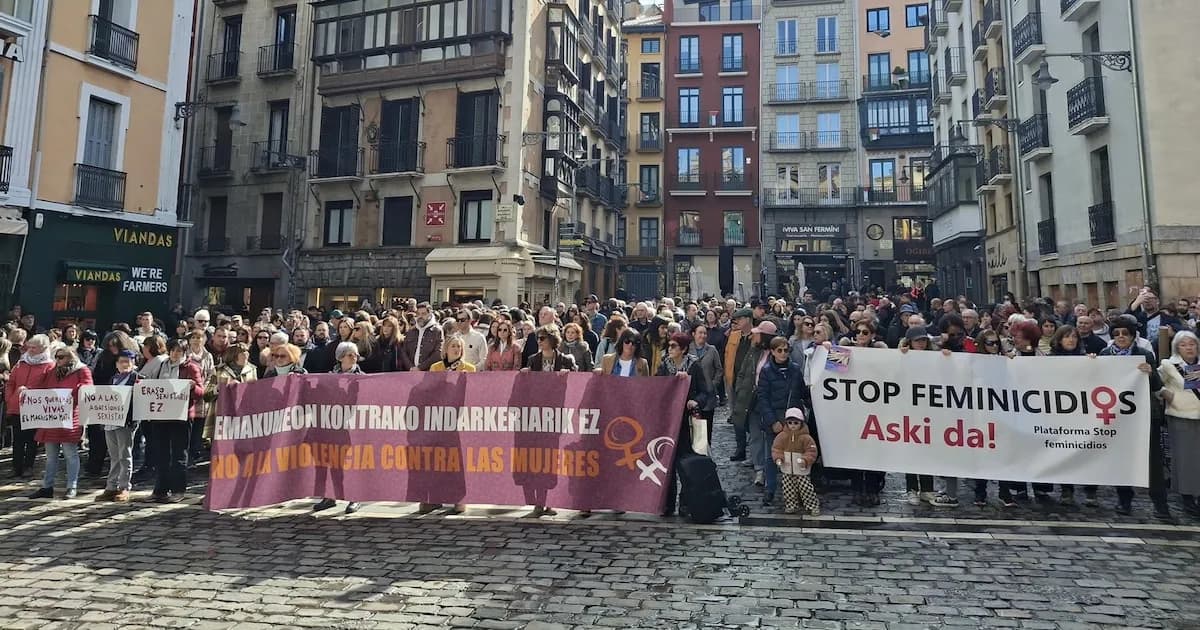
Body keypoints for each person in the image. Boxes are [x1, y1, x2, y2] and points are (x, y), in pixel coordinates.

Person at [1100, 315, 1170, 519]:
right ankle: (1124, 498)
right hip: (1117, 415)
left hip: (1145, 415)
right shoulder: (1105, 354)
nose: (1121, 337)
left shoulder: (1145, 354)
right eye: (1117, 334)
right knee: (1120, 458)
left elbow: (1157, 386)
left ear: (1133, 336)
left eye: (1125, 334)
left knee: (1153, 461)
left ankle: (1160, 503)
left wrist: (1150, 373)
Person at [142, 339, 204, 503]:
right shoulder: (161, 365)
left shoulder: (191, 367)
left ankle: (178, 490)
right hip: (161, 415)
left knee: (178, 454)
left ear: (184, 352)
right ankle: (160, 490)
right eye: (173, 350)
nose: (175, 354)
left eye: (179, 351)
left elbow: (200, 393)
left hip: (181, 417)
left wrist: (192, 387)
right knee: (161, 454)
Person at [29, 346, 93, 499]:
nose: (58, 360)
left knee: (70, 454)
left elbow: (87, 389)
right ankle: (47, 486)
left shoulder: (82, 370)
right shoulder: (52, 371)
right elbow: (42, 387)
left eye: (61, 357)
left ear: (70, 357)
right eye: (56, 357)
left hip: (70, 418)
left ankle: (72, 486)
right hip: (52, 418)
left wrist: (73, 391)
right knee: (50, 456)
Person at [657, 333, 710, 517]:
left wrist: (695, 401)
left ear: (683, 349)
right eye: (669, 346)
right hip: (668, 420)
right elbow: (656, 388)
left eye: (674, 346)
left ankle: (686, 502)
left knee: (686, 462)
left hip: (686, 422)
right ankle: (667, 503)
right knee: (667, 464)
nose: (670, 349)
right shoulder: (664, 365)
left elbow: (705, 392)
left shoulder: (693, 365)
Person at [312, 342, 365, 515]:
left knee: (351, 464)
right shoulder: (329, 377)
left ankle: (354, 497)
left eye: (355, 355)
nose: (354, 357)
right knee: (331, 462)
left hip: (353, 427)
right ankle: (330, 496)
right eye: (350, 354)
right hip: (332, 427)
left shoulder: (363, 377)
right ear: (340, 357)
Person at [754, 336, 803, 507]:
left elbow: (802, 393)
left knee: (794, 455)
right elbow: (763, 398)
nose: (783, 353)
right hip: (774, 418)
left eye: (785, 350)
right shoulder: (767, 371)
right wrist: (772, 420)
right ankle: (770, 488)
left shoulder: (795, 370)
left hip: (793, 419)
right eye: (779, 350)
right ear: (773, 352)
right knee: (771, 456)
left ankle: (796, 490)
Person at [1159, 330, 1200, 519]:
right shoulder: (1169, 365)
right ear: (1177, 347)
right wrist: (1168, 395)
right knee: (1185, 460)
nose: (1189, 347)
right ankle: (1187, 497)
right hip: (1182, 416)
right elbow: (1154, 384)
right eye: (1184, 344)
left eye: (1192, 344)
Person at [6, 334, 54, 478]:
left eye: (34, 348)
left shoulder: (49, 366)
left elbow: (49, 387)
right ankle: (16, 467)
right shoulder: (21, 363)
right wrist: (10, 398)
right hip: (17, 406)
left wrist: (31, 392)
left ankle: (28, 466)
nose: (30, 350)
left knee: (32, 439)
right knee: (18, 439)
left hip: (35, 407)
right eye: (30, 347)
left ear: (43, 349)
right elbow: (11, 383)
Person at [97, 350, 141, 502]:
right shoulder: (113, 378)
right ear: (116, 364)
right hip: (111, 421)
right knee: (114, 455)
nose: (124, 364)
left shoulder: (137, 379)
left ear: (133, 363)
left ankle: (124, 487)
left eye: (127, 361)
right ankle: (111, 486)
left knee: (124, 455)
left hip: (126, 422)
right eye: (121, 361)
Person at [203, 344, 258, 441]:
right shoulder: (218, 370)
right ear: (234, 355)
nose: (247, 354)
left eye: (247, 351)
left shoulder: (252, 369)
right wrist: (219, 388)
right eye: (243, 352)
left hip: (244, 416)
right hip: (223, 415)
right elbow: (206, 396)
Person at [772, 407, 820, 516]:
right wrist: (778, 458)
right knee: (788, 489)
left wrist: (806, 459)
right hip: (787, 467)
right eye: (790, 423)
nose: (793, 425)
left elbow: (811, 451)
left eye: (796, 423)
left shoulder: (806, 438)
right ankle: (791, 505)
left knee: (806, 488)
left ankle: (812, 505)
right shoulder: (782, 436)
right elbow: (776, 449)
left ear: (801, 423)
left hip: (801, 468)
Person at [184, 330, 214, 466]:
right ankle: (187, 456)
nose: (196, 340)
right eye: (194, 337)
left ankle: (194, 455)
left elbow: (210, 375)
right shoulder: (185, 354)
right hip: (187, 396)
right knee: (187, 427)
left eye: (199, 337)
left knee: (198, 427)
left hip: (202, 396)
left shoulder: (208, 356)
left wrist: (204, 388)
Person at [689, 324, 722, 447]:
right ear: (694, 334)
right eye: (700, 333)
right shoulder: (688, 348)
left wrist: (713, 384)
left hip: (708, 394)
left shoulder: (712, 350)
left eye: (705, 333)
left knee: (707, 426)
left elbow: (719, 369)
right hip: (692, 393)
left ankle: (706, 451)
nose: (703, 336)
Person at [399, 302, 443, 371]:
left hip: (428, 373)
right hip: (410, 372)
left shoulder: (437, 331)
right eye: (418, 314)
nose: (420, 317)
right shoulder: (411, 331)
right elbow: (404, 352)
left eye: (423, 314)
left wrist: (420, 368)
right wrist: (410, 367)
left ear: (430, 314)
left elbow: (438, 354)